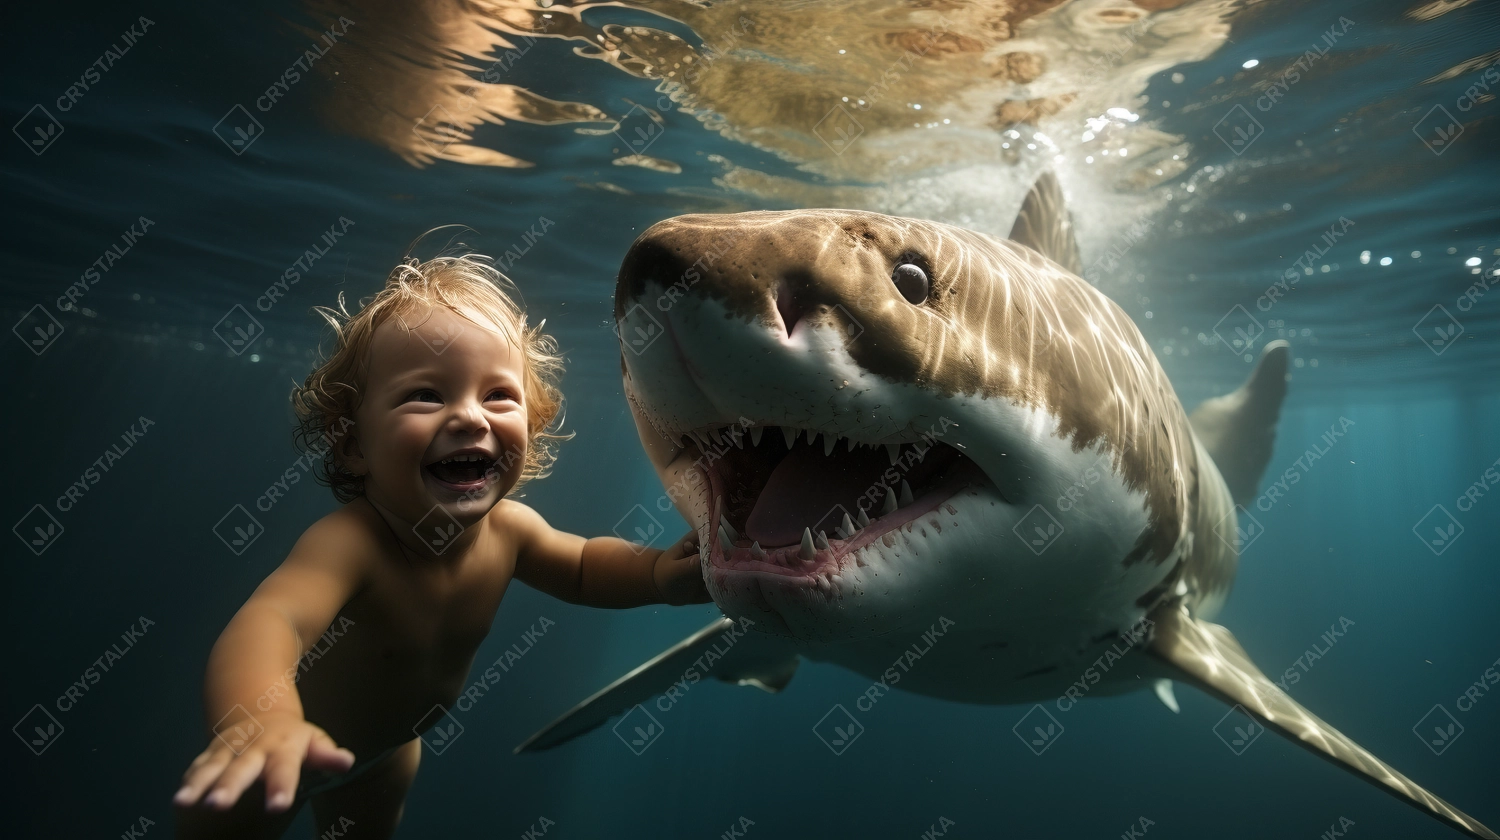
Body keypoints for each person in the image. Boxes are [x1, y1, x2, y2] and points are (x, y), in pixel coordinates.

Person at [173, 251, 708, 838]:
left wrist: (657, 574)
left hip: (387, 755)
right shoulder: (353, 543)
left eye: (499, 396)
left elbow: (583, 568)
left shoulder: (511, 529)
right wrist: (259, 722)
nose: (469, 417)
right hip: (278, 754)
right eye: (425, 396)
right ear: (352, 444)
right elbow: (271, 621)